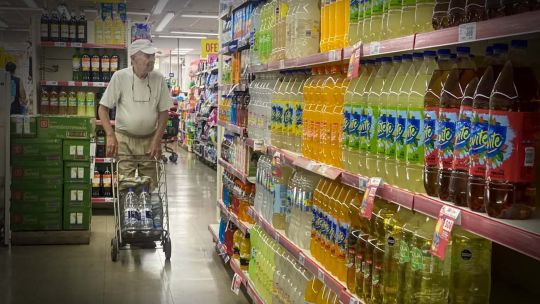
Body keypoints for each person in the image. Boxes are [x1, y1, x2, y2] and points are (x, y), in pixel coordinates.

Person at [98, 39, 172, 187]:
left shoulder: (159, 79)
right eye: (147, 55)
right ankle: (128, 209)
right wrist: (110, 135)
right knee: (125, 185)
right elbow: (103, 108)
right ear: (132, 58)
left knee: (150, 186)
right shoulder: (119, 77)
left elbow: (164, 112)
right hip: (124, 140)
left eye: (153, 55)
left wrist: (157, 140)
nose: (151, 59)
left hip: (149, 140)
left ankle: (148, 210)